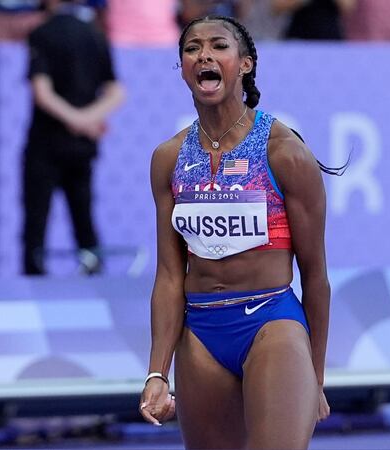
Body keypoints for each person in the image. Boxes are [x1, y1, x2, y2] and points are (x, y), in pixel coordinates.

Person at [140, 15, 339, 449]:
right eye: (192, 49)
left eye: (218, 46)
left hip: (271, 323)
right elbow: (170, 276)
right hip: (202, 335)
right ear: (183, 67)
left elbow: (317, 277)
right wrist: (157, 371)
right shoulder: (168, 159)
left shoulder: (283, 152)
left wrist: (315, 376)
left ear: (245, 64)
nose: (204, 55)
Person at [22, 0, 125, 275]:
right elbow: (116, 92)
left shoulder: (42, 33)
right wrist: (87, 119)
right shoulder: (95, 33)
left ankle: (33, 285)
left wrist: (76, 119)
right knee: (84, 219)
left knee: (36, 225)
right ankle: (94, 282)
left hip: (46, 144)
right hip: (81, 146)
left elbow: (42, 93)